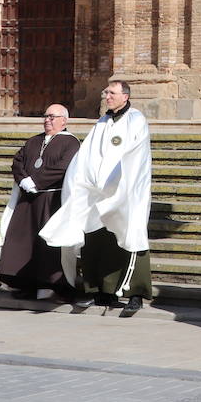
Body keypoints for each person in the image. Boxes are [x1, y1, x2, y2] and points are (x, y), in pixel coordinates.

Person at [40, 81, 153, 313]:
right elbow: (87, 154)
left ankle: (135, 294)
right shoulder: (102, 122)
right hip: (97, 191)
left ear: (125, 96)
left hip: (126, 190)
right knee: (96, 236)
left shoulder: (135, 120)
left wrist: (116, 184)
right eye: (106, 92)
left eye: (111, 93)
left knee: (130, 235)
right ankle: (100, 291)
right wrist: (83, 181)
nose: (107, 96)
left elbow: (136, 155)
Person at [0, 103, 80, 300]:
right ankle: (25, 283)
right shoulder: (34, 141)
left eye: (52, 116)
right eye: (45, 116)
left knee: (47, 245)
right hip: (28, 199)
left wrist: (37, 181)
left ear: (64, 120)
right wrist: (23, 179)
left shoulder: (71, 143)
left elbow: (64, 167)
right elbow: (18, 161)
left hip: (52, 199)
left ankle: (50, 284)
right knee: (23, 242)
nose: (47, 120)